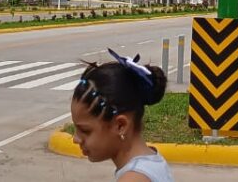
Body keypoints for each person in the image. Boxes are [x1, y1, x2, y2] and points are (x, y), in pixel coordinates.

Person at [70, 49, 174, 182]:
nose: (76, 139)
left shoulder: (134, 178)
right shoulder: (151, 161)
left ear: (120, 125)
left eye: (85, 131)